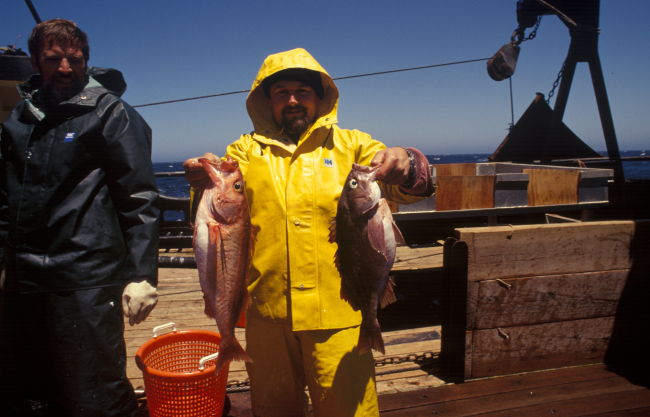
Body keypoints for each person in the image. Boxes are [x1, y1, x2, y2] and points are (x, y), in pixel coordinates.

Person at [184, 48, 434, 417]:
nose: (292, 100)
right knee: (274, 410)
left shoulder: (355, 146)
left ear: (321, 97)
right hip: (265, 314)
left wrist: (407, 161)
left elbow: (414, 188)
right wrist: (199, 178)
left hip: (341, 314)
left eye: (302, 91)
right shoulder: (243, 152)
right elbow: (215, 214)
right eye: (281, 92)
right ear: (266, 101)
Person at [0, 19, 159, 417]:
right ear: (36, 61)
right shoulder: (19, 117)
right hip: (22, 279)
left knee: (95, 391)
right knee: (30, 389)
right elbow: (5, 195)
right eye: (53, 59)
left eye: (75, 58)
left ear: (86, 60)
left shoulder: (111, 112)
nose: (65, 68)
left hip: (85, 277)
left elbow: (138, 194)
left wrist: (142, 274)